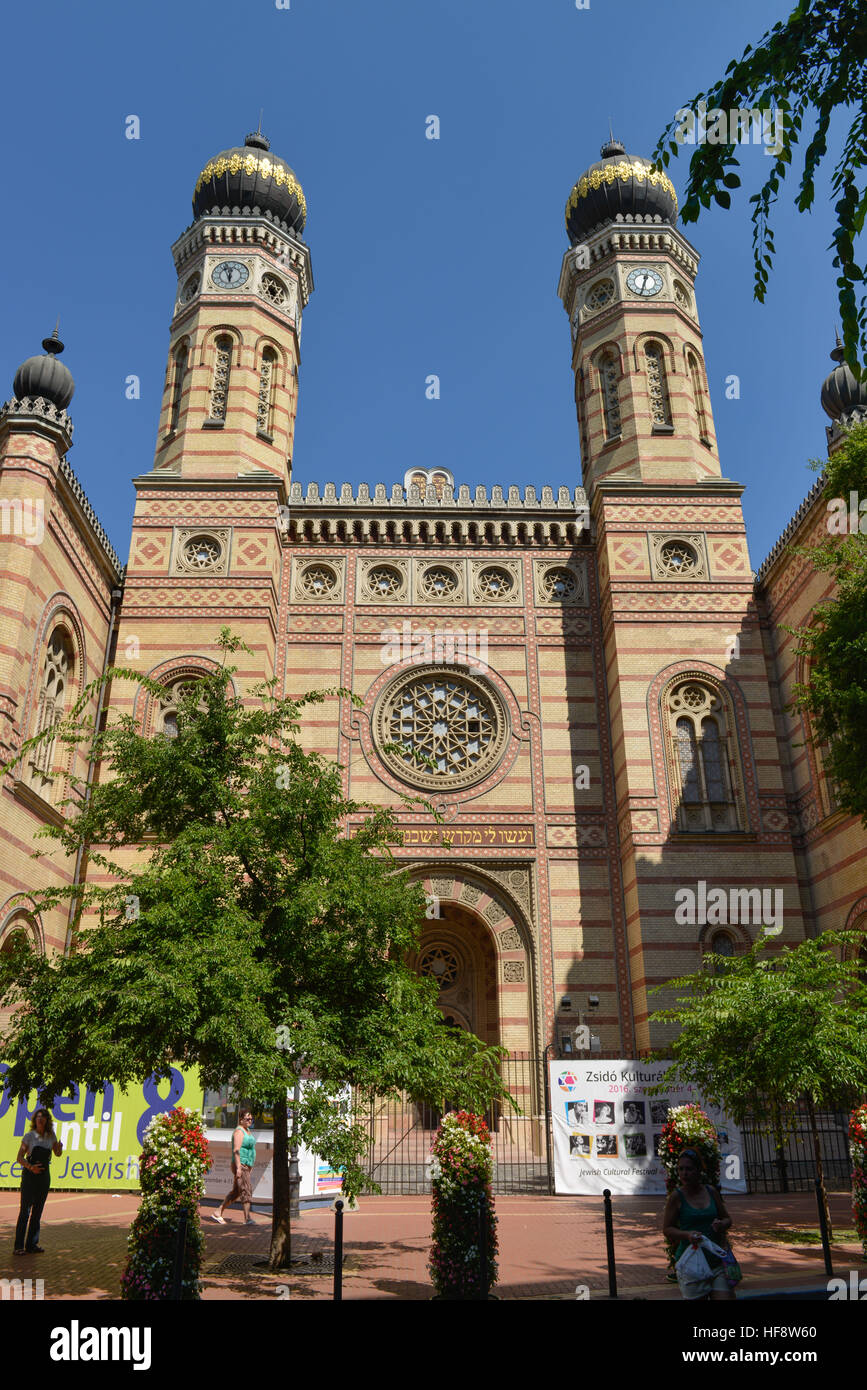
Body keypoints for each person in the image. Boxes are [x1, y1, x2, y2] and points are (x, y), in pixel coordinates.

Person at [662, 1148, 736, 1300]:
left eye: (689, 1169)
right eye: (680, 1169)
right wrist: (686, 1234)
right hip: (692, 1265)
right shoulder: (676, 1197)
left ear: (698, 1170)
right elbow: (667, 1229)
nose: (684, 1174)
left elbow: (727, 1219)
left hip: (715, 1262)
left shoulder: (711, 1191)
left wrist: (721, 1224)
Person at [14, 1107, 63, 1255]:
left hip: (44, 1177)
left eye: (43, 1117)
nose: (40, 1119)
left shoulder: (51, 1136)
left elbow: (57, 1154)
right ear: (35, 1120)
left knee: (38, 1212)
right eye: (38, 1116)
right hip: (30, 1176)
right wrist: (30, 1167)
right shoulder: (29, 1136)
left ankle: (32, 1244)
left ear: (47, 1120)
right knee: (25, 1212)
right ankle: (18, 1247)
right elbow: (19, 1158)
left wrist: (60, 1148)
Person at [213, 1109, 256, 1225]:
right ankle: (247, 1218)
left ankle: (218, 1212)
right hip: (240, 1164)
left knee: (236, 1192)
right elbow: (236, 1150)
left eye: (251, 1119)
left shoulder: (247, 1131)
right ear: (241, 1120)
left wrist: (250, 1166)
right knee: (246, 1190)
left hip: (246, 1164)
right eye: (247, 1119)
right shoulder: (239, 1132)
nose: (250, 1121)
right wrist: (238, 1168)